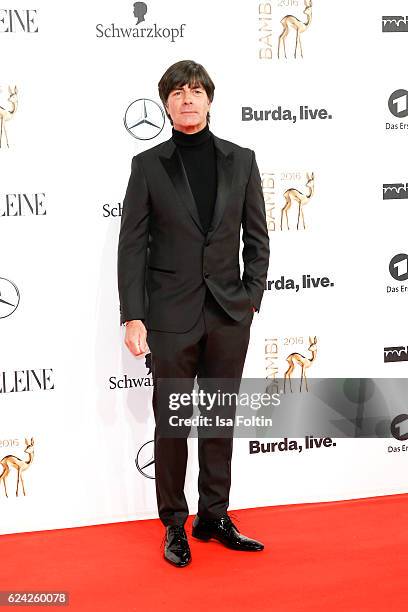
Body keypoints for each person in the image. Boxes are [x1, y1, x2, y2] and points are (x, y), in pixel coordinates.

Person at [117, 59, 270, 567]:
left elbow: (258, 238)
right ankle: (174, 524)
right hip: (169, 316)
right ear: (165, 103)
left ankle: (214, 516)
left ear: (209, 99)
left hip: (229, 313)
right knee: (173, 422)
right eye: (178, 91)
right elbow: (132, 245)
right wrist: (133, 315)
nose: (187, 98)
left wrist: (250, 299)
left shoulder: (241, 160)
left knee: (220, 418)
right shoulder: (147, 165)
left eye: (196, 90)